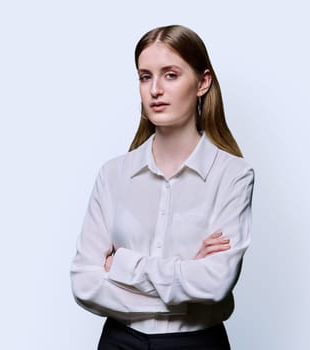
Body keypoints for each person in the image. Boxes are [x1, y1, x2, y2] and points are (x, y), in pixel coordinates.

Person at [70, 24, 255, 350]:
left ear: (202, 82)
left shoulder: (233, 175)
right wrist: (186, 284)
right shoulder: (113, 175)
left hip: (197, 344)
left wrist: (123, 266)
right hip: (120, 342)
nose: (155, 89)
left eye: (170, 75)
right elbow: (85, 283)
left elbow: (215, 282)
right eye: (145, 76)